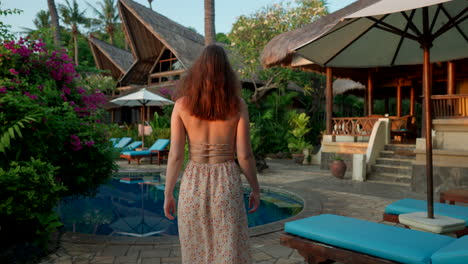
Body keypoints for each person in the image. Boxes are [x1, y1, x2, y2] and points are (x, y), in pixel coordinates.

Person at [163, 44, 260, 264]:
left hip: (192, 184)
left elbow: (176, 156)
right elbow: (244, 155)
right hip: (226, 182)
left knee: (195, 249)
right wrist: (255, 188)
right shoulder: (237, 105)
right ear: (226, 73)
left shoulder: (181, 105)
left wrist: (168, 192)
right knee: (227, 249)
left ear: (198, 71)